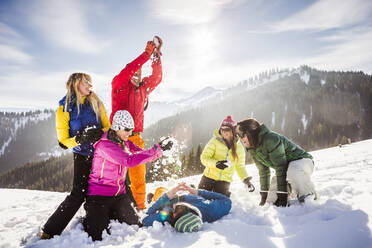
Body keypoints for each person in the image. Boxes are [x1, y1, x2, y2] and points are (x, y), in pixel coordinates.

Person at [83, 110, 173, 241]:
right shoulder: (105, 145)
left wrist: (159, 149)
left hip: (119, 196)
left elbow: (140, 154)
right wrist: (156, 150)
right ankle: (93, 214)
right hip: (99, 197)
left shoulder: (123, 141)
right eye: (127, 129)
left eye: (131, 129)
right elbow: (129, 160)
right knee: (97, 235)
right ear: (116, 127)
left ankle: (111, 212)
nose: (130, 133)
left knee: (136, 224)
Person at [40, 73, 110, 239]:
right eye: (86, 82)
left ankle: (95, 222)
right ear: (76, 83)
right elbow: (63, 141)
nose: (90, 85)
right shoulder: (64, 108)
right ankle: (50, 230)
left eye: (91, 82)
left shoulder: (96, 102)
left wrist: (99, 133)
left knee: (100, 191)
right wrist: (80, 139)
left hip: (101, 154)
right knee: (79, 193)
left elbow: (108, 127)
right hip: (81, 155)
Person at [110, 37, 163, 210]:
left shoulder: (143, 88)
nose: (135, 75)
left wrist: (156, 56)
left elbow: (157, 77)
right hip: (116, 138)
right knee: (115, 176)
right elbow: (127, 70)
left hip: (135, 137)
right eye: (133, 72)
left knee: (138, 175)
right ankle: (113, 206)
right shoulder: (119, 84)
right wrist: (145, 54)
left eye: (138, 73)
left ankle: (140, 206)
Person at [235, 118, 317, 207]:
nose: (240, 139)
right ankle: (290, 188)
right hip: (285, 169)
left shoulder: (271, 139)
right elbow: (264, 172)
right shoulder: (252, 148)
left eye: (242, 134)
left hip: (302, 161)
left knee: (293, 171)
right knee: (272, 201)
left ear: (251, 132)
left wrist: (283, 194)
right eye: (238, 135)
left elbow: (281, 167)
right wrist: (264, 195)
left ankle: (308, 194)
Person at [198, 115, 255, 197]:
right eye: (222, 129)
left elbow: (239, 166)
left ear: (233, 131)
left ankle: (226, 195)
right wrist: (216, 164)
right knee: (200, 199)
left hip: (224, 181)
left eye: (227, 129)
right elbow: (204, 158)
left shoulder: (238, 147)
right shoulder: (214, 141)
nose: (224, 132)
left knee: (219, 203)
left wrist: (245, 179)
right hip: (208, 177)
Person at [142, 183, 232, 233]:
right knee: (190, 186)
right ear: (191, 209)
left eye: (173, 215)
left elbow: (145, 219)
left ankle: (153, 198)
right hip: (190, 195)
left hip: (169, 199)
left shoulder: (168, 215)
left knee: (160, 191)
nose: (174, 208)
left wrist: (166, 196)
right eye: (180, 208)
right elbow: (226, 200)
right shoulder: (210, 210)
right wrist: (198, 192)